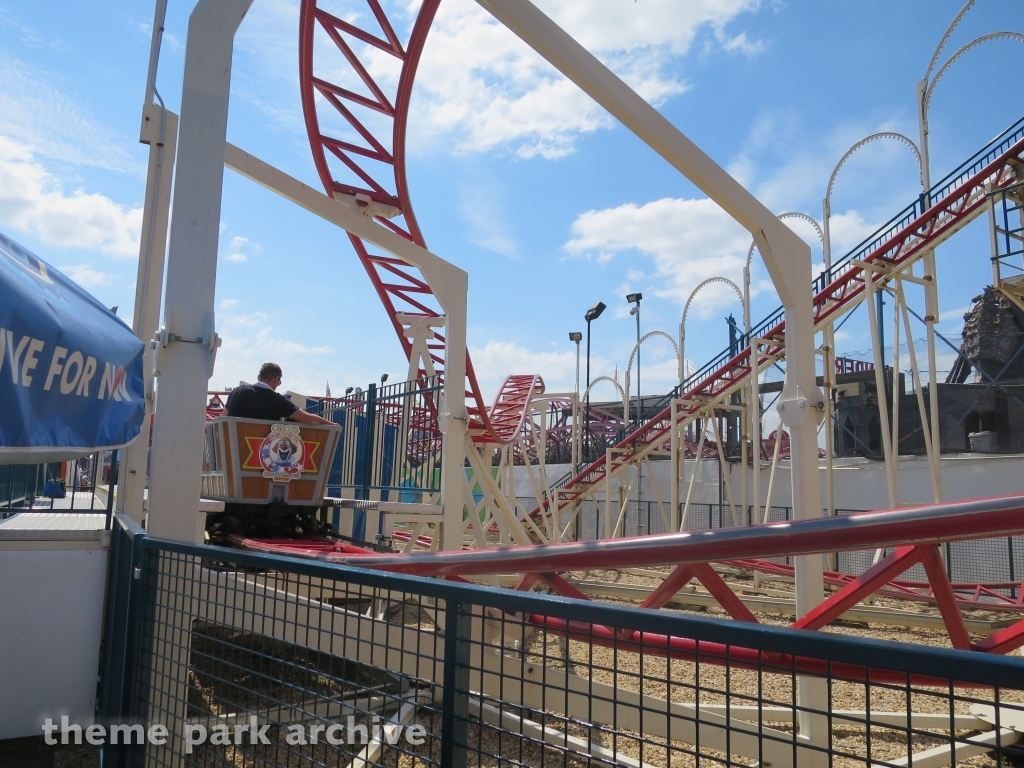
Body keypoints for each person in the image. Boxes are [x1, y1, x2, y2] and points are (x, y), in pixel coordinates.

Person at [225, 363, 334, 425]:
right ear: (277, 379)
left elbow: (222, 418)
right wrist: (333, 425)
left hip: (229, 452)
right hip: (258, 457)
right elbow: (309, 419)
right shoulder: (275, 400)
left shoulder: (236, 392)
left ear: (259, 377)